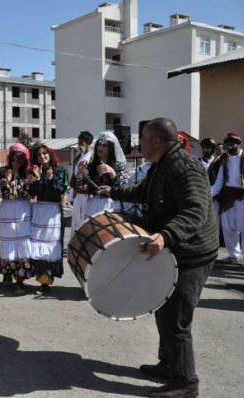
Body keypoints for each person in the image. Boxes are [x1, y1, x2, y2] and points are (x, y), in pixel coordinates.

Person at [99, 117, 218, 398]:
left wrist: (165, 236)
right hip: (178, 248)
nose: (139, 145)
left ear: (155, 141)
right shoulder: (161, 165)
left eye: (142, 140)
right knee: (163, 307)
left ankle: (185, 383)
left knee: (176, 319)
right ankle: (169, 364)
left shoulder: (184, 168)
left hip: (194, 252)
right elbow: (144, 192)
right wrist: (114, 190)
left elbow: (195, 211)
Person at [209, 132, 244, 265]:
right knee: (228, 226)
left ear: (239, 144)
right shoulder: (223, 159)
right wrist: (209, 196)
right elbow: (219, 180)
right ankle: (233, 254)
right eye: (228, 143)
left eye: (233, 143)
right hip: (227, 197)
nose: (230, 146)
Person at [27, 143, 69, 294]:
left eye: (44, 153)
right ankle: (42, 281)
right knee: (38, 245)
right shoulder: (35, 172)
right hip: (39, 211)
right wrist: (36, 179)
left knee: (50, 246)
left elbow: (59, 192)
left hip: (53, 212)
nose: (42, 157)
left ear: (49, 155)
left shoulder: (61, 171)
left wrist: (51, 179)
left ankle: (47, 280)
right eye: (39, 155)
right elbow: (32, 193)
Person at [0, 143, 34, 294]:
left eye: (19, 159)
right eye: (13, 158)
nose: (16, 162)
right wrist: (7, 182)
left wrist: (13, 189)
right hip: (7, 210)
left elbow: (28, 194)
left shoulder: (29, 173)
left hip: (23, 211)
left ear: (24, 159)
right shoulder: (1, 172)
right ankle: (8, 272)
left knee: (22, 243)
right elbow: (0, 193)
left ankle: (20, 280)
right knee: (7, 241)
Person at [75, 131, 128, 218]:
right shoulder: (91, 166)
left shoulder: (119, 166)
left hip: (111, 206)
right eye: (99, 145)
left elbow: (124, 188)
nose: (100, 147)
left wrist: (113, 174)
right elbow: (79, 188)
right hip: (92, 207)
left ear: (110, 148)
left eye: (104, 145)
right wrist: (79, 176)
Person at [69, 131, 94, 233]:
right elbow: (74, 178)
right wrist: (71, 195)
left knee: (85, 223)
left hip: (87, 196)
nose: (80, 145)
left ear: (88, 143)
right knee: (76, 223)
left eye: (82, 143)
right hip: (77, 195)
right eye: (78, 142)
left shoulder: (92, 158)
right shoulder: (78, 158)